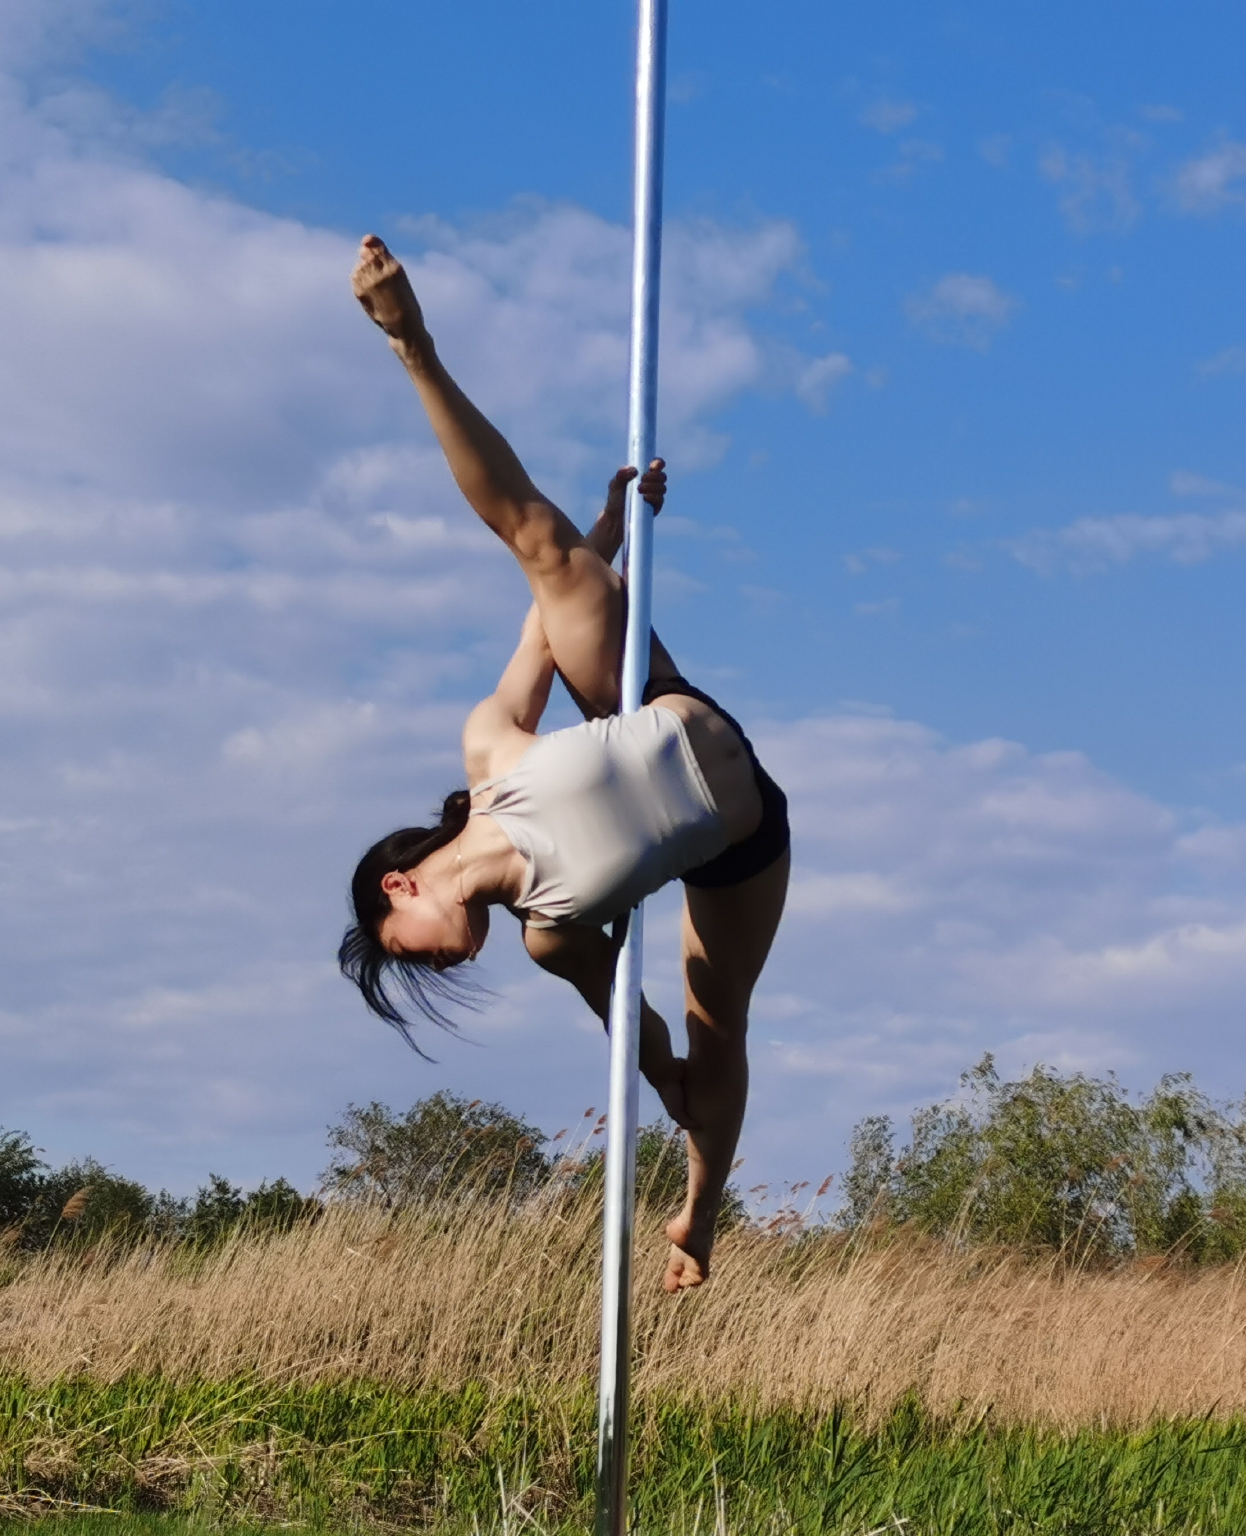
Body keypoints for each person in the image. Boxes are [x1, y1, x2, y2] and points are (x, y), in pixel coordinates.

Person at [338, 235, 790, 1293]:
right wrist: (668, 1088)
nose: (432, 964)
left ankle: (411, 347)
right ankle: (698, 1218)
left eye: (400, 948)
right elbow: (632, 1030)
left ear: (398, 884)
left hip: (664, 711)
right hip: (742, 839)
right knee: (710, 1037)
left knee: (538, 549)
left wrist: (605, 534)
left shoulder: (490, 750)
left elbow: (548, 609)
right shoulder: (549, 936)